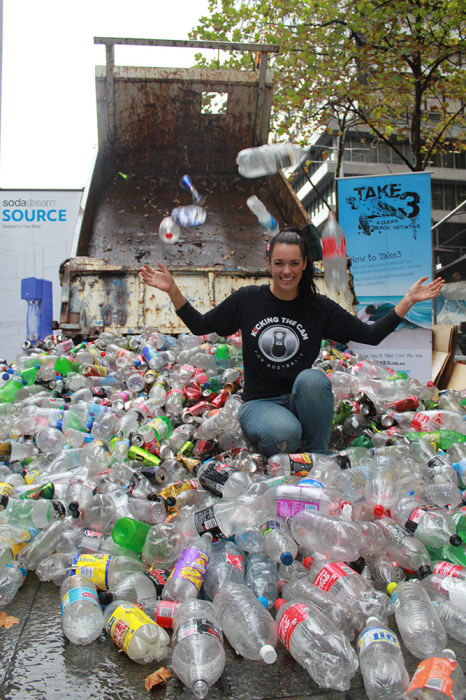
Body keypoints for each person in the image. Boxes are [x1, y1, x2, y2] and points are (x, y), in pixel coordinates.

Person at [140, 228, 444, 457]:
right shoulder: (248, 300)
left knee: (313, 378)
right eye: (280, 263)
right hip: (259, 404)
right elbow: (202, 325)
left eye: (294, 263)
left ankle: (317, 455)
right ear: (269, 262)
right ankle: (290, 443)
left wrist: (406, 301)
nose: (287, 271)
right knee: (285, 433)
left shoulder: (318, 307)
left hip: (300, 401)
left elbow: (371, 335)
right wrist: (172, 290)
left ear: (305, 264)